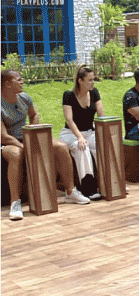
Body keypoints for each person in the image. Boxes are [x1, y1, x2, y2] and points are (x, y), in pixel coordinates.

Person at [2, 70, 90, 220]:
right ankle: (15, 203)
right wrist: (24, 147)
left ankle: (70, 191)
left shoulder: (25, 98)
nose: (23, 81)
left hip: (25, 138)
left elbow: (34, 114)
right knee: (16, 154)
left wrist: (32, 132)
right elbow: (3, 136)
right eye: (19, 79)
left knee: (61, 146)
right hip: (8, 142)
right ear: (8, 84)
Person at [59, 64, 103, 200]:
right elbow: (69, 120)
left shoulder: (94, 93)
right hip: (71, 133)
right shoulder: (69, 95)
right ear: (80, 81)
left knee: (102, 145)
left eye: (93, 79)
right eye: (90, 80)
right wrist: (79, 137)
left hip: (90, 132)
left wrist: (104, 133)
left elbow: (101, 116)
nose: (93, 82)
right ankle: (88, 189)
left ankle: (111, 182)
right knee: (81, 148)